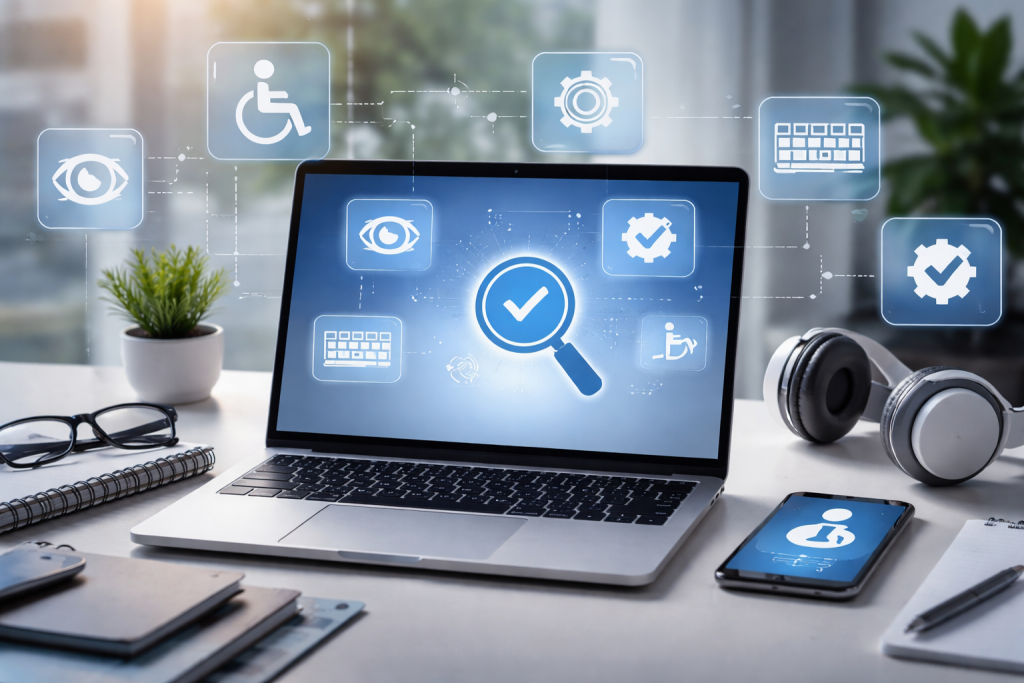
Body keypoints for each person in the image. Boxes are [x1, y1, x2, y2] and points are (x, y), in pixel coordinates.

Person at [253, 59, 311, 136]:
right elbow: (266, 96)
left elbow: (268, 95)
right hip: (265, 106)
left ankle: (301, 129)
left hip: (267, 105)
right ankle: (301, 130)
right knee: (292, 107)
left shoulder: (264, 83)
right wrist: (281, 94)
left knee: (292, 107)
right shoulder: (262, 84)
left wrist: (281, 94)